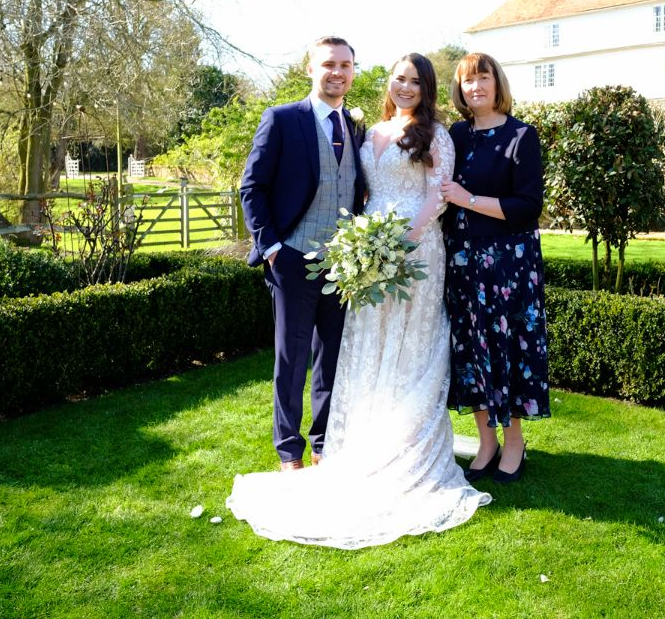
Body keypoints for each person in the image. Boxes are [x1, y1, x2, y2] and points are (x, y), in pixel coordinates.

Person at [227, 53, 490, 548]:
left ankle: (401, 443)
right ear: (387, 82)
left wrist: (402, 242)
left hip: (414, 252)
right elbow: (352, 193)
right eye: (400, 78)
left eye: (416, 80)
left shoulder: (436, 133)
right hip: (364, 255)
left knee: (405, 347)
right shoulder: (367, 129)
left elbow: (439, 195)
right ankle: (318, 447)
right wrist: (358, 246)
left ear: (427, 87)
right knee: (356, 348)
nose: (406, 86)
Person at [239, 36, 367, 471]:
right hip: (292, 257)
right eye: (328, 64)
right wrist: (271, 247)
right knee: (291, 361)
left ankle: (324, 445)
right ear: (309, 69)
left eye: (346, 65)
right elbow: (252, 187)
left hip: (344, 265)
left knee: (331, 359)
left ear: (353, 71)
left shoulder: (354, 126)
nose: (337, 72)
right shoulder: (281, 119)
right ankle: (288, 451)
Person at [439, 52, 551, 484]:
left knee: (507, 349)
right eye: (468, 81)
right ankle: (486, 441)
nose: (476, 87)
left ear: (496, 82)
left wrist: (467, 199)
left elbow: (528, 207)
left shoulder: (521, 135)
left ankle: (515, 441)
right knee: (472, 350)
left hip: (508, 264)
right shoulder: (456, 135)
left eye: (483, 78)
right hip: (463, 261)